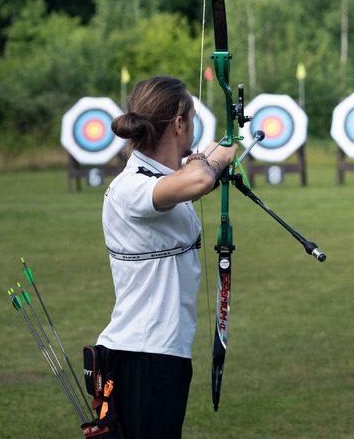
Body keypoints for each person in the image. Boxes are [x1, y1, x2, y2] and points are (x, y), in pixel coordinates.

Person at [96, 76, 236, 439]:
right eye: (190, 117)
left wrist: (220, 152)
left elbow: (186, 180)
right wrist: (218, 154)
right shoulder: (130, 187)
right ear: (178, 123)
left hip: (160, 353)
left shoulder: (161, 178)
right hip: (142, 355)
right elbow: (198, 181)